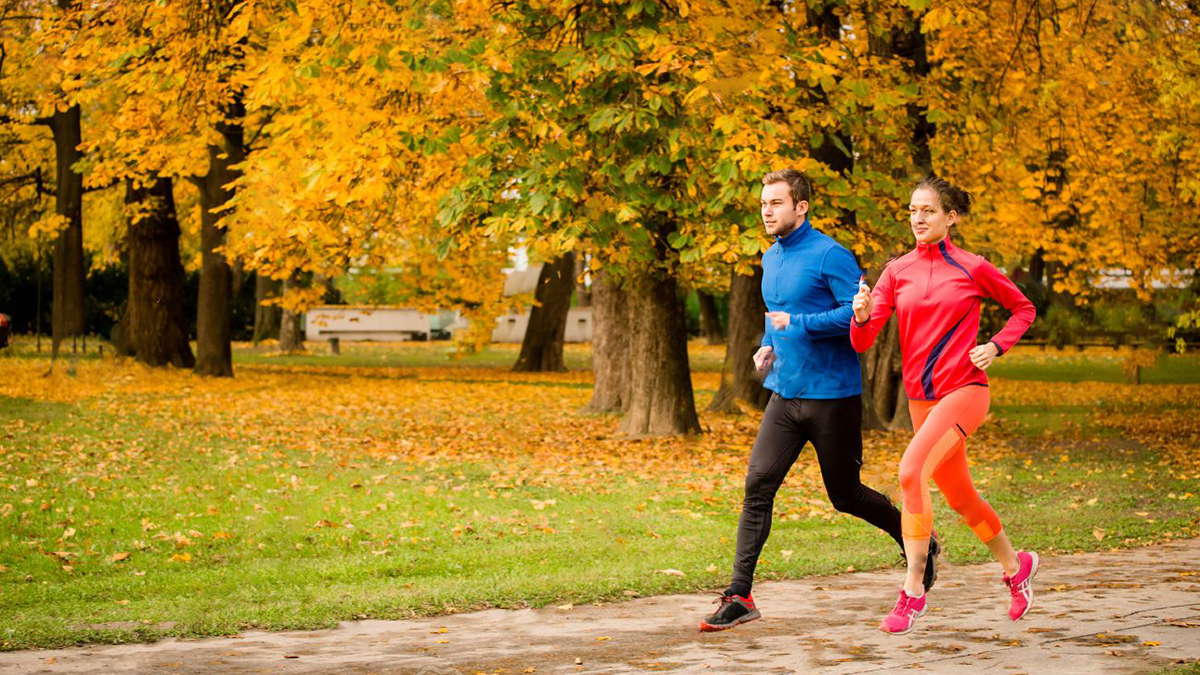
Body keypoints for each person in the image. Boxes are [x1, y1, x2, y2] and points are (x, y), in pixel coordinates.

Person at [701, 169, 939, 632]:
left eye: (775, 203)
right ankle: (739, 594)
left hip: (833, 398)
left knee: (845, 495)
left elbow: (857, 320)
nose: (766, 211)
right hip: (785, 397)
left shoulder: (831, 255)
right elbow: (776, 316)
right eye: (763, 204)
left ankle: (920, 542)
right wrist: (769, 341)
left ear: (801, 206)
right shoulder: (770, 258)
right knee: (757, 487)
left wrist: (799, 324)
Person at [850, 176, 1038, 635]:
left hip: (966, 391)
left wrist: (995, 346)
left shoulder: (974, 267)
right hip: (921, 399)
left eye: (928, 211)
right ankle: (1017, 567)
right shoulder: (896, 272)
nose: (917, 218)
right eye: (912, 210)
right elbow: (862, 341)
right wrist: (859, 315)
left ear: (950, 217)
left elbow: (1024, 309)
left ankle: (913, 589)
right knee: (959, 495)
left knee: (910, 471)